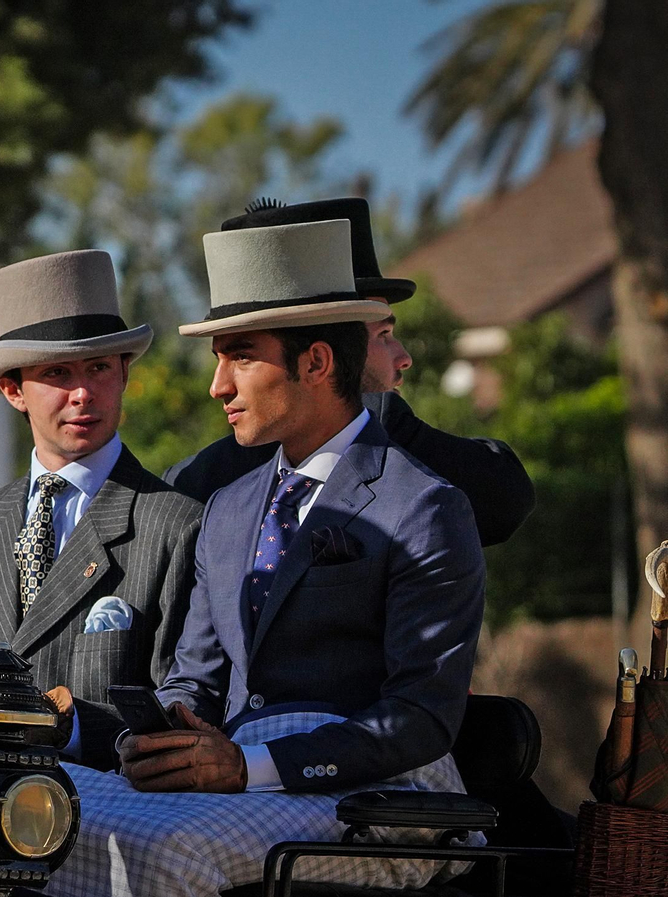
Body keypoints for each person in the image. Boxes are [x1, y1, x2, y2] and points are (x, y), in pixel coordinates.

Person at [49, 218, 485, 895]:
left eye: (241, 356)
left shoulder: (424, 506)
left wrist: (251, 764)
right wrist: (170, 728)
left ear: (315, 362)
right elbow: (195, 674)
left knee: (168, 846)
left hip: (377, 795)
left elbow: (421, 716)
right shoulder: (228, 508)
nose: (218, 385)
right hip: (234, 777)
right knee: (44, 811)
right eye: (219, 357)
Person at [0, 249, 201, 771]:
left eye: (100, 367)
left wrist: (73, 725)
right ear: (14, 390)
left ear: (126, 373)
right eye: (59, 372)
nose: (84, 393)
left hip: (106, 824)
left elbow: (185, 708)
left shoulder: (176, 525)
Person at [164, 197, 534, 547]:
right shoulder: (204, 489)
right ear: (325, 354)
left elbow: (504, 498)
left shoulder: (410, 468)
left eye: (242, 357)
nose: (403, 357)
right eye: (383, 334)